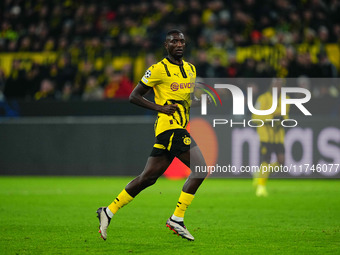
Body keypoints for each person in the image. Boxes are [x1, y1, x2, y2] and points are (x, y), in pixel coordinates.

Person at [97, 29, 207, 241]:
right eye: (174, 41)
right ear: (166, 46)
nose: (179, 44)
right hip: (169, 128)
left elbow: (185, 100)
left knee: (148, 178)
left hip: (178, 127)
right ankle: (177, 218)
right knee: (200, 168)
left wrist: (199, 102)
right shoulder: (158, 69)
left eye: (182, 41)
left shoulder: (191, 69)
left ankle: (108, 211)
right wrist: (160, 108)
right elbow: (133, 96)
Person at [252, 78, 290, 197]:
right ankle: (261, 186)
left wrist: (282, 120)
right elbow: (255, 117)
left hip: (278, 136)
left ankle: (260, 174)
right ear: (271, 86)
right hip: (265, 136)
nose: (277, 87)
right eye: (275, 85)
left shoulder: (286, 99)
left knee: (281, 161)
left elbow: (285, 115)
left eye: (279, 85)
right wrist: (271, 118)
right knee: (266, 160)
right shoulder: (263, 98)